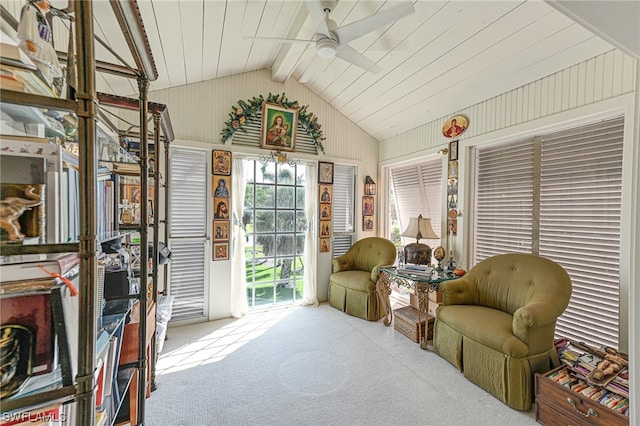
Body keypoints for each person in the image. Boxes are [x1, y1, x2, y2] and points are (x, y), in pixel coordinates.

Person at [17, 0, 62, 87]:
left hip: (44, 50)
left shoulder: (41, 15)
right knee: (37, 78)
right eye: (47, 1)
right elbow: (27, 23)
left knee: (46, 78)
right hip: (36, 50)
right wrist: (28, 40)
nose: (49, 5)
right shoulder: (30, 9)